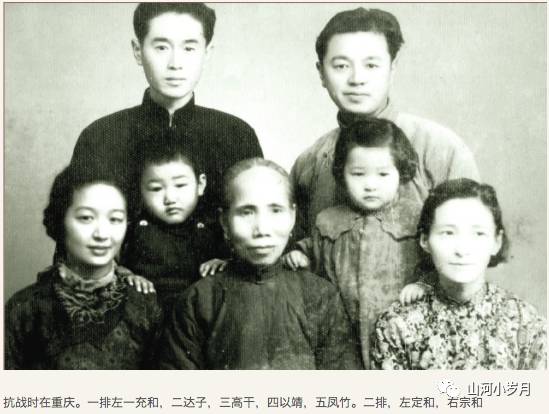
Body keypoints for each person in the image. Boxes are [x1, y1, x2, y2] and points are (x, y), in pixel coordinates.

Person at [290, 7, 479, 239]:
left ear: (392, 67)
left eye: (371, 65)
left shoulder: (439, 148)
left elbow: (471, 243)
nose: (357, 79)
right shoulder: (309, 163)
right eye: (341, 66)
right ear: (321, 73)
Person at [157, 158, 361, 369]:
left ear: (292, 216)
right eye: (246, 212)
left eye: (276, 210)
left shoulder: (320, 296)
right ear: (224, 221)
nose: (262, 230)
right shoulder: (199, 301)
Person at [71, 2, 263, 220]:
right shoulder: (100, 137)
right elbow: (77, 232)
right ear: (137, 51)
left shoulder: (237, 135)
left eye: (189, 48)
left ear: (207, 53)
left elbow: (257, 223)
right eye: (161, 47)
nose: (175, 64)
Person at [284, 118, 426, 368]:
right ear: (342, 174)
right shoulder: (327, 221)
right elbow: (314, 257)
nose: (370, 185)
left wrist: (424, 285)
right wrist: (300, 255)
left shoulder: (415, 218)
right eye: (358, 174)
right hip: (343, 336)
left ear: (401, 173)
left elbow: (437, 265)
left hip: (403, 333)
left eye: (383, 174)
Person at [371, 178, 547, 369]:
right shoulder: (396, 325)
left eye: (478, 234)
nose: (462, 250)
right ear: (425, 240)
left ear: (496, 242)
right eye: (448, 233)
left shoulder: (525, 323)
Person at [5, 166, 162, 369]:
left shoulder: (146, 306)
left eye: (115, 219)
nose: (102, 234)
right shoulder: (24, 309)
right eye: (86, 218)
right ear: (60, 220)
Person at [121, 131, 228, 312]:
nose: (170, 198)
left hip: (199, 312)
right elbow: (110, 264)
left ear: (200, 184)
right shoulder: (133, 227)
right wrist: (128, 276)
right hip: (148, 310)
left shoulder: (212, 225)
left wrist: (223, 263)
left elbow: (238, 262)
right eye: (156, 188)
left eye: (180, 185)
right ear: (140, 190)